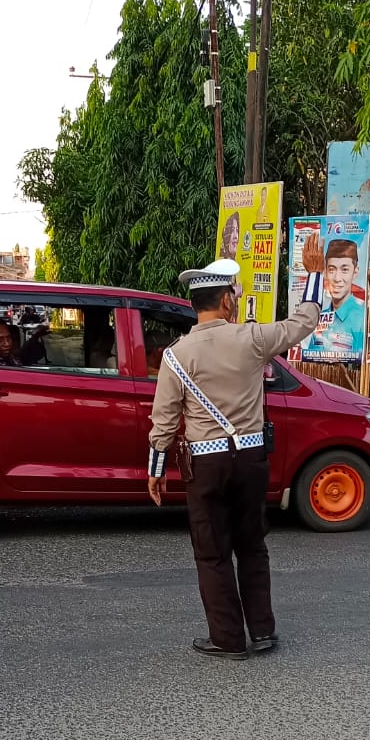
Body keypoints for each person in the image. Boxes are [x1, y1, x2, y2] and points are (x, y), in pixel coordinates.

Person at [147, 242, 323, 660]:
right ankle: (262, 631)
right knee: (252, 546)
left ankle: (227, 638)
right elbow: (302, 323)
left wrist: (155, 469)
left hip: (204, 467)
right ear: (227, 300)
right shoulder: (252, 339)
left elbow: (164, 421)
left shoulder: (175, 357)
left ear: (196, 305)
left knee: (212, 551)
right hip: (250, 459)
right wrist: (312, 276)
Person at [300, 238, 364, 361]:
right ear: (325, 272)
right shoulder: (319, 317)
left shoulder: (362, 319)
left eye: (344, 270)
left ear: (355, 273)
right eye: (332, 269)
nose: (337, 278)